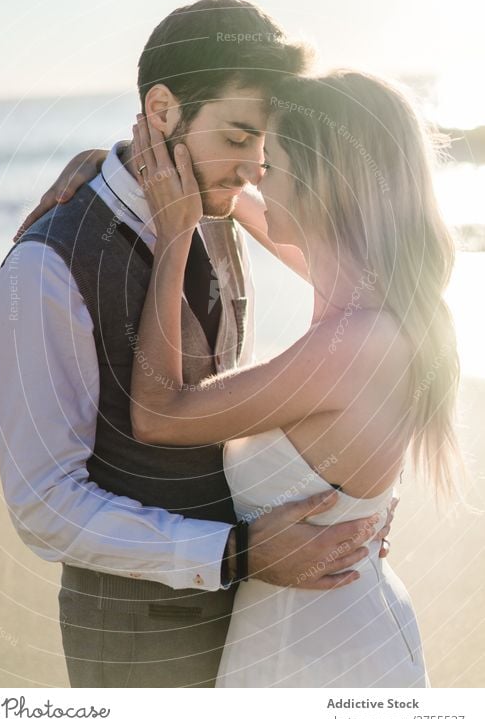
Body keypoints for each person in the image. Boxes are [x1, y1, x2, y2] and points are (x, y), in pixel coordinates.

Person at [0, 0, 394, 689]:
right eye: (236, 136)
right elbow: (43, 506)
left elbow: (376, 284)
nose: (253, 167)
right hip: (143, 642)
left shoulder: (216, 206)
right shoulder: (44, 271)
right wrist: (235, 553)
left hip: (263, 619)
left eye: (265, 143)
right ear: (164, 110)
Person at [115, 71, 461, 686]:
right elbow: (226, 196)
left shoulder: (354, 343)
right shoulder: (368, 297)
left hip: (322, 660)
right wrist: (109, 167)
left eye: (268, 162)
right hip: (306, 639)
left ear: (319, 182)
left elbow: (158, 415)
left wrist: (174, 237)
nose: (252, 174)